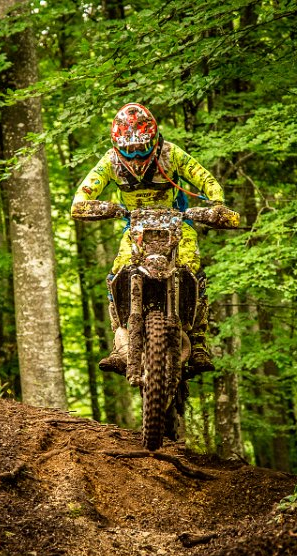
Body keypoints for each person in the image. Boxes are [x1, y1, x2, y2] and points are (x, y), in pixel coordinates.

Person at [70, 102, 232, 377]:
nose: (135, 158)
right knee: (117, 271)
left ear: (154, 140)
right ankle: (120, 342)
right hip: (135, 226)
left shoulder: (171, 154)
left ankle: (198, 342)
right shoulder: (110, 162)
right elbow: (81, 198)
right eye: (129, 151)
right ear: (117, 146)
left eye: (142, 149)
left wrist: (217, 204)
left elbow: (207, 180)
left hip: (177, 222)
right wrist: (100, 208)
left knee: (191, 267)